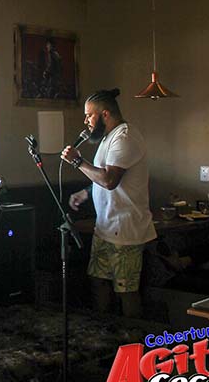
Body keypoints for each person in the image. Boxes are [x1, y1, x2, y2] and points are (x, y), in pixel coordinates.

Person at [63, 88, 155, 318]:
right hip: (105, 228)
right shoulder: (108, 139)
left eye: (89, 115)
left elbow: (110, 179)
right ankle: (104, 332)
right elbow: (102, 175)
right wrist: (86, 192)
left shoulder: (125, 137)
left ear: (105, 114)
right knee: (98, 281)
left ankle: (134, 339)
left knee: (126, 290)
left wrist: (77, 162)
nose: (85, 121)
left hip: (125, 230)